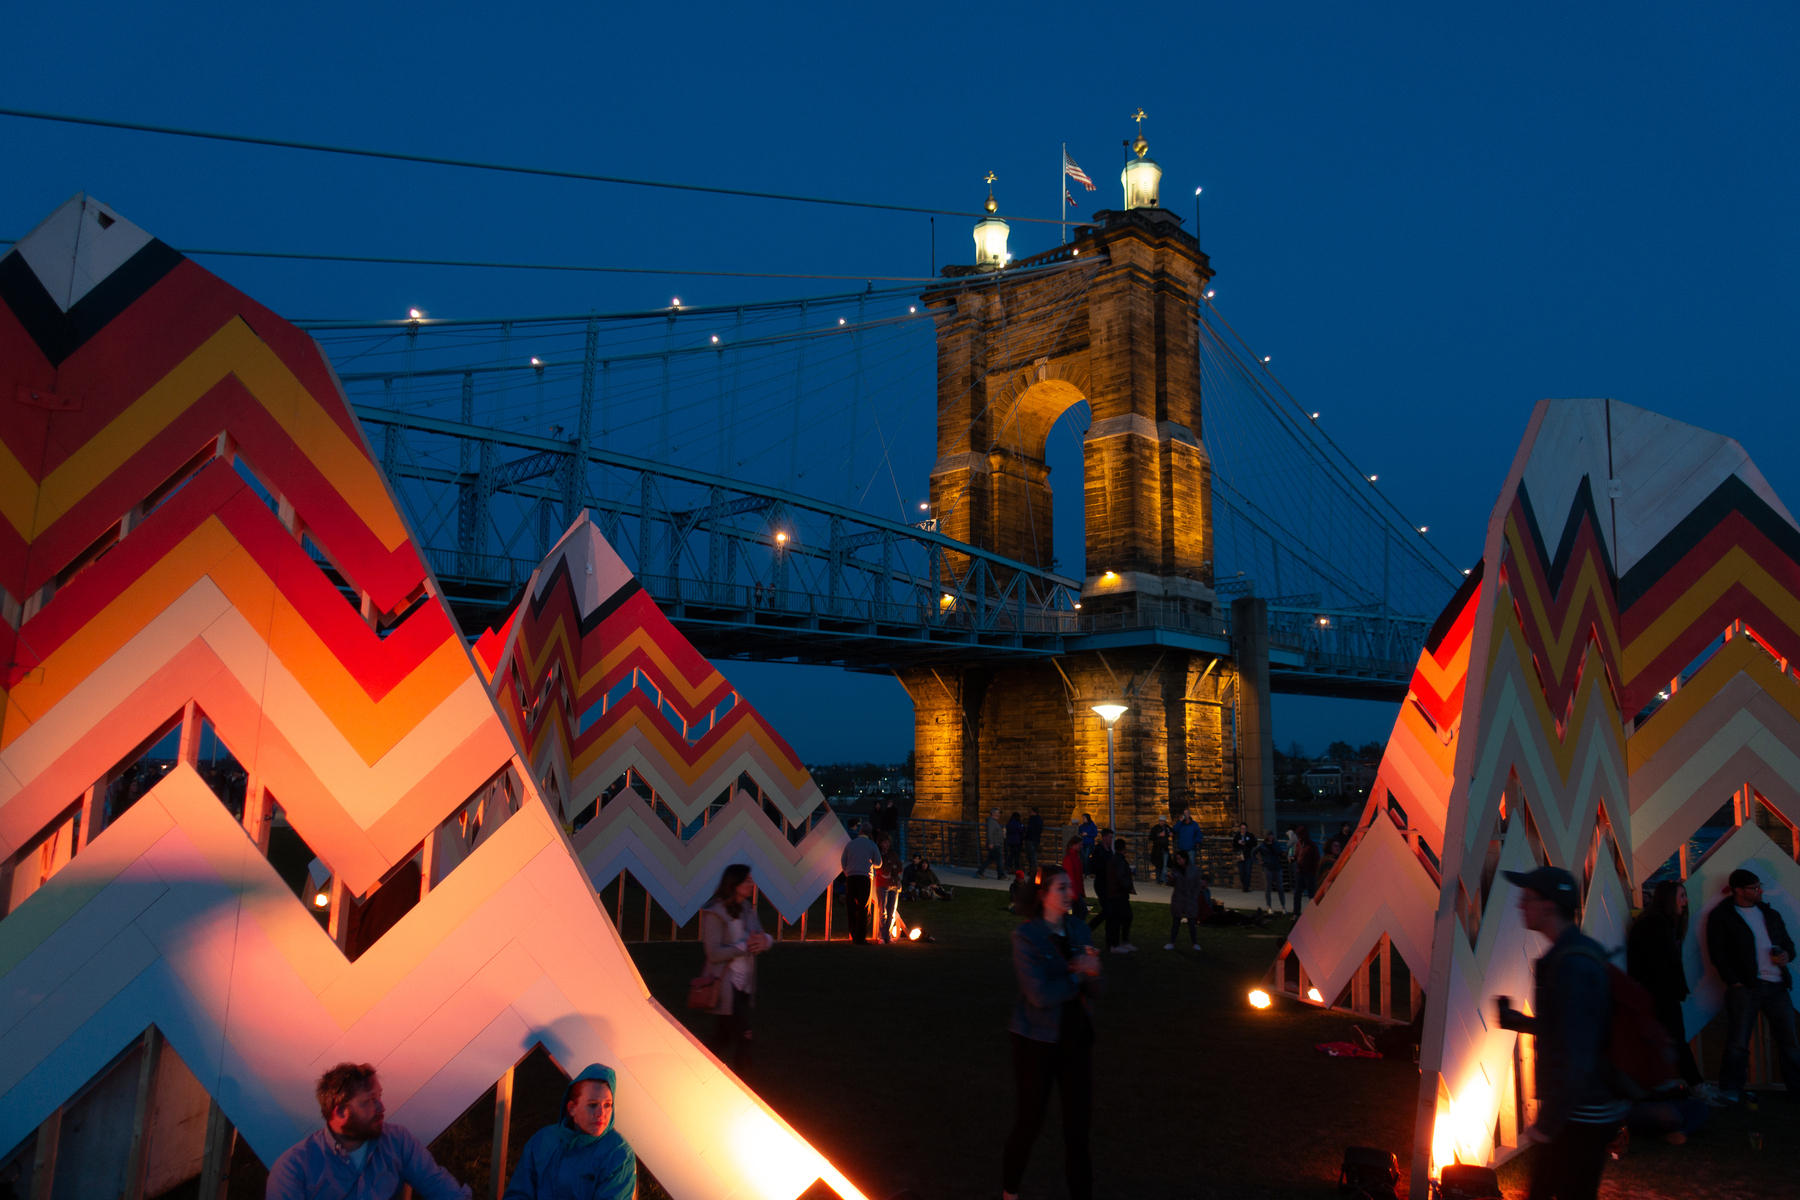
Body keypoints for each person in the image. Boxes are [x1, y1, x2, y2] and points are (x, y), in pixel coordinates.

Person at [1495, 866, 1627, 1200]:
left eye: (1527, 898)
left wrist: (1548, 1123)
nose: (1520, 905)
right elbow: (1574, 1026)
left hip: (1579, 1113)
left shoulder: (1568, 963)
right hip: (1590, 1107)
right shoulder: (1580, 950)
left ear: (1549, 905)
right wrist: (1520, 1021)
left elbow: (1578, 1051)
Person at [1002, 865, 1102, 1200]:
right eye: (1061, 888)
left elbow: (1095, 985)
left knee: (1078, 1133)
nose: (1069, 893)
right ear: (1044, 895)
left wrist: (1094, 973)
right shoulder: (1026, 936)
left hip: (1076, 1042)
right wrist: (1077, 974)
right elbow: (1040, 994)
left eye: (1070, 887)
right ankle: (1009, 1193)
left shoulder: (1078, 928)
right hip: (1037, 1044)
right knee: (1029, 1124)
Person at [267, 1063, 471, 1200]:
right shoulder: (293, 1169)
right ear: (340, 1112)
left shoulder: (397, 1141)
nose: (381, 1107)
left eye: (379, 1097)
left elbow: (439, 1187)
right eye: (369, 1101)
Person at [1704, 867, 1800, 1102]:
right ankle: (1731, 1089)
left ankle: (1796, 1090)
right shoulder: (1722, 916)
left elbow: (1788, 944)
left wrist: (1787, 955)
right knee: (1738, 1041)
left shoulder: (1770, 914)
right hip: (1747, 986)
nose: (1760, 890)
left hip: (1776, 985)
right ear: (1738, 890)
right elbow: (1717, 951)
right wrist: (1733, 980)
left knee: (1789, 1042)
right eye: (1754, 887)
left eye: (1759, 886)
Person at [504, 1063, 636, 1200]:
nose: (601, 1113)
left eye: (607, 1105)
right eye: (592, 1105)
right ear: (572, 1108)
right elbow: (518, 1193)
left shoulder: (619, 1155)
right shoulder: (542, 1141)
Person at [1626, 881, 1706, 1094]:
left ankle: (1660, 1085)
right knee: (1675, 1039)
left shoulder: (1663, 924)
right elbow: (1660, 963)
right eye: (1681, 896)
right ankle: (1697, 1087)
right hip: (1658, 993)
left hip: (1660, 992)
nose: (1686, 901)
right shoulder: (1656, 925)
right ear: (1669, 898)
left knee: (1670, 1039)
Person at [700, 864, 769, 1077]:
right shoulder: (715, 913)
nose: (752, 884)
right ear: (734, 884)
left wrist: (765, 941)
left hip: (742, 984)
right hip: (723, 985)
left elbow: (760, 936)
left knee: (722, 1037)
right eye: (747, 880)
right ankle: (744, 1080)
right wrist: (741, 947)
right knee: (744, 1033)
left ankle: (698, 1067)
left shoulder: (747, 909)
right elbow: (713, 953)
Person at [839, 821, 882, 943]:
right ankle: (860, 937)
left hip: (851, 877)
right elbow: (878, 864)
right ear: (869, 833)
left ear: (860, 831)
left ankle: (853, 933)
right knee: (864, 908)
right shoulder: (872, 845)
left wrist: (847, 872)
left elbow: (843, 861)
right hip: (865, 878)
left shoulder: (850, 844)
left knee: (851, 906)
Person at [1101, 830, 1138, 953]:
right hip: (1118, 894)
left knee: (1126, 917)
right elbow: (1120, 878)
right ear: (1124, 848)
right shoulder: (1118, 860)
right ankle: (1116, 945)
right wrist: (1130, 888)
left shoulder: (1115, 859)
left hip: (1118, 894)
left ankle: (1121, 942)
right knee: (1119, 920)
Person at [1164, 849, 1206, 951]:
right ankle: (1172, 943)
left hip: (1189, 898)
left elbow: (1197, 885)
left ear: (1185, 859)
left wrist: (1193, 897)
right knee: (1176, 922)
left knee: (1191, 922)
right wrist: (1171, 880)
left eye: (1179, 859)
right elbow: (1174, 883)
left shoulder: (1194, 870)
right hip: (1178, 898)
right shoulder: (1176, 869)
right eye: (1176, 859)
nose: (1178, 861)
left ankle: (1194, 943)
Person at [1292, 827, 1320, 917]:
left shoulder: (1312, 845)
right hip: (1300, 873)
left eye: (1300, 835)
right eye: (1298, 835)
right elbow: (1297, 855)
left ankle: (1316, 912)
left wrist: (1314, 872)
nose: (1299, 837)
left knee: (1311, 895)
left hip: (1309, 874)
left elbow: (1316, 859)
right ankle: (1296, 913)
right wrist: (1292, 859)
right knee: (1297, 894)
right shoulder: (1298, 845)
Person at [1061, 834, 1089, 923]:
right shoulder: (1070, 858)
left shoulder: (1075, 857)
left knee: (1078, 913)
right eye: (1079, 844)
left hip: (1076, 891)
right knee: (1082, 912)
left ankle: (1074, 930)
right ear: (1074, 844)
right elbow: (1071, 877)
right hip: (1074, 892)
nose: (1081, 847)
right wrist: (1075, 893)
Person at [1258, 831, 1287, 912]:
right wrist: (1258, 862)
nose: (1271, 837)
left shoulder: (1276, 844)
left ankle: (1283, 906)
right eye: (1269, 835)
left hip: (1277, 867)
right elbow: (1253, 852)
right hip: (1268, 868)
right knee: (1268, 888)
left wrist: (1283, 854)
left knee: (1280, 888)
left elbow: (1280, 854)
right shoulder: (1263, 846)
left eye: (1272, 835)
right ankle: (1269, 907)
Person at [979, 809, 1006, 878]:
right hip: (995, 844)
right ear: (993, 813)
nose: (999, 814)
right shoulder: (991, 822)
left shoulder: (993, 822)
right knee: (999, 860)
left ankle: (980, 872)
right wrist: (991, 843)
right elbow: (989, 833)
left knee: (990, 859)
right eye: (997, 813)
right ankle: (1000, 875)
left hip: (995, 843)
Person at [1147, 815, 1172, 885]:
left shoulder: (1167, 828)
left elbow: (1172, 831)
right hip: (1157, 849)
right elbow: (1151, 837)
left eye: (1163, 821)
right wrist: (1158, 835)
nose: (1162, 822)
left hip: (1164, 848)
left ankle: (1163, 879)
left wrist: (1171, 833)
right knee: (1158, 865)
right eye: (1161, 821)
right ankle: (1159, 880)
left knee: (1164, 865)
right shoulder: (1155, 828)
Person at [1233, 822, 1257, 892]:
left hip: (1248, 855)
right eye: (1242, 828)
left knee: (1248, 872)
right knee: (1241, 871)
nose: (1243, 830)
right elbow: (1234, 845)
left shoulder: (1250, 835)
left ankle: (1246, 887)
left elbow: (1254, 843)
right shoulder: (1237, 836)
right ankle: (1244, 884)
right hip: (1240, 855)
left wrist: (1246, 843)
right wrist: (1239, 844)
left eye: (1244, 828)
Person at [1024, 808, 1044, 877]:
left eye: (1031, 812)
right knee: (1033, 855)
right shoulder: (1040, 820)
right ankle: (1033, 870)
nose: (1030, 813)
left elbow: (1030, 829)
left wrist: (1026, 837)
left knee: (1031, 856)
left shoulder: (1032, 819)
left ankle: (1033, 871)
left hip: (1031, 839)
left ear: (1034, 812)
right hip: (1036, 840)